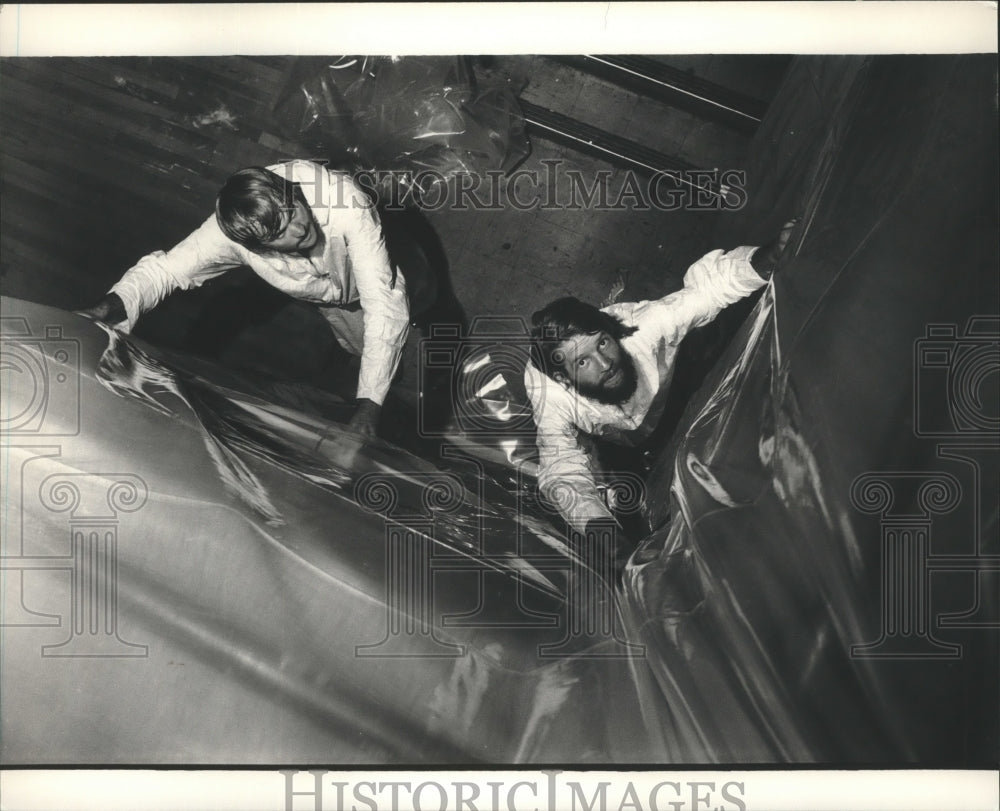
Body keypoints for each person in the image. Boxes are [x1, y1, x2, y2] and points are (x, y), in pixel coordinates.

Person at [79, 159, 413, 437]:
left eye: (292, 210)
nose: (298, 229)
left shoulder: (345, 203)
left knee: (415, 303)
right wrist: (113, 304)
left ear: (291, 190)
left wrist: (368, 406)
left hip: (385, 261)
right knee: (365, 350)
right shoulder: (234, 233)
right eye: (279, 233)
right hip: (335, 300)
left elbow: (383, 303)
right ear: (255, 247)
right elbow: (165, 271)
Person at [526, 220, 797, 542]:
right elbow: (562, 466)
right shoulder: (550, 394)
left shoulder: (645, 327)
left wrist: (767, 257)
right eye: (582, 362)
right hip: (618, 442)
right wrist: (600, 530)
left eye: (602, 342)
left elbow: (706, 291)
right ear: (564, 378)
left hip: (672, 398)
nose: (605, 363)